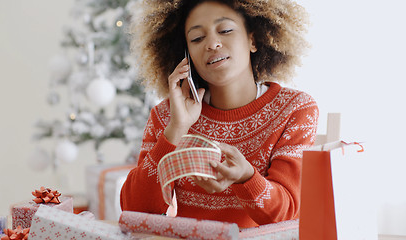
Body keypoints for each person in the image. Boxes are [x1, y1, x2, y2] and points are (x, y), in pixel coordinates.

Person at [120, 0, 318, 228]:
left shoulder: (295, 109)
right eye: (196, 39)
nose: (212, 43)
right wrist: (176, 130)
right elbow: (133, 210)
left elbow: (288, 213)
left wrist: (246, 178)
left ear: (252, 39)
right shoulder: (168, 116)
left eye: (225, 30)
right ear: (186, 54)